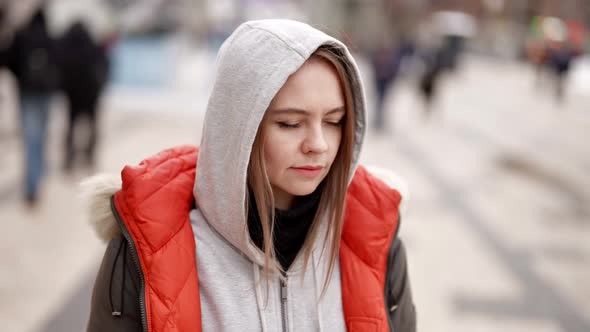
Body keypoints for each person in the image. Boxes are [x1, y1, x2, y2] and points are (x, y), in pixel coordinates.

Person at [85, 19, 416, 331]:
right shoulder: (145, 248)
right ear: (239, 127)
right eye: (290, 123)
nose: (318, 144)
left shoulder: (375, 236)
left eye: (333, 121)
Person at [6, 6, 59, 205]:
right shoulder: (51, 39)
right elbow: (60, 65)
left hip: (27, 93)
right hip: (45, 94)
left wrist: (21, 78)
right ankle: (38, 176)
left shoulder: (21, 37)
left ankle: (31, 183)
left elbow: (8, 60)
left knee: (30, 138)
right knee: (42, 136)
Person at [57, 21, 110, 171]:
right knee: (92, 126)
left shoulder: (67, 49)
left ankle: (69, 157)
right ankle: (89, 155)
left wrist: (64, 88)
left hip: (73, 95)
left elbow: (61, 71)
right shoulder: (93, 47)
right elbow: (104, 67)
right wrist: (99, 87)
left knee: (71, 126)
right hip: (91, 95)